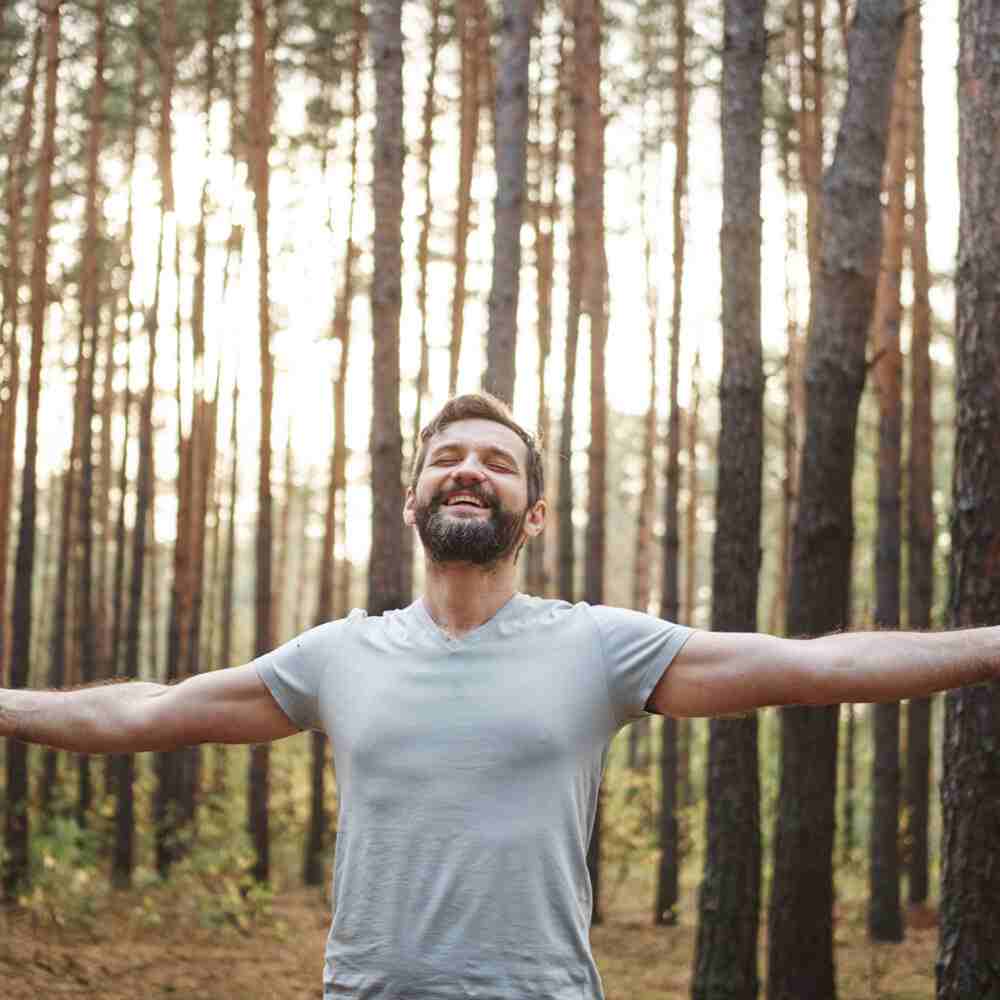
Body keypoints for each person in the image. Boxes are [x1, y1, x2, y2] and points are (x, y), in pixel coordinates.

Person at [1, 391, 997, 999]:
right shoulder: (338, 655)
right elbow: (143, 711)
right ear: (413, 499)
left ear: (533, 514)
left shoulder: (599, 645)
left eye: (496, 462)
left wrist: (990, 645)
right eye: (448, 457)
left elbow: (817, 664)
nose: (469, 469)